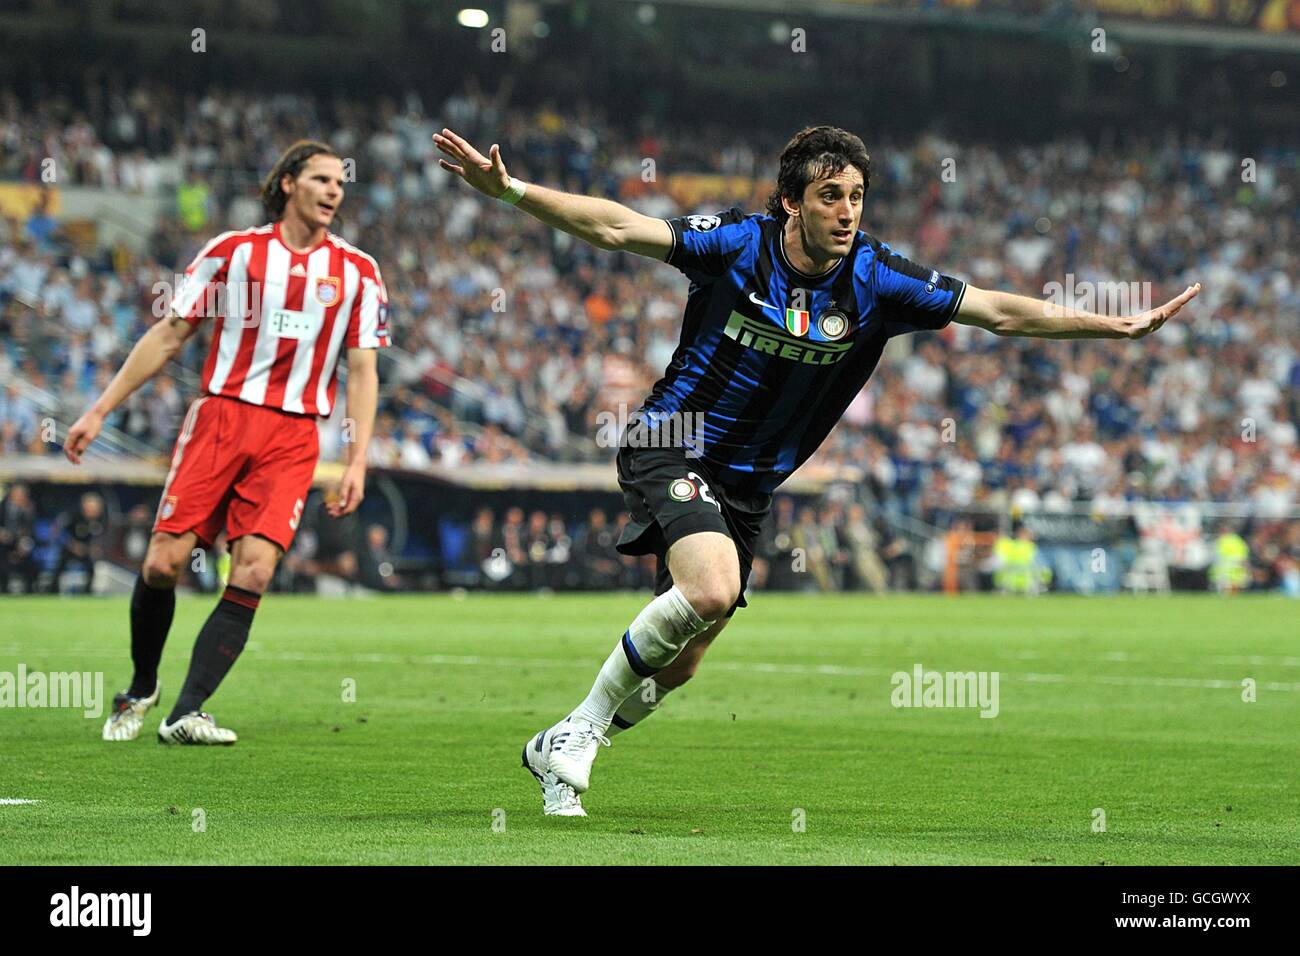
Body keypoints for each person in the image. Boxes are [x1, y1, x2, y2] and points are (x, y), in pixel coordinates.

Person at [434, 124, 1200, 816]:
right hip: (674, 439)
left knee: (685, 660)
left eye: (857, 196)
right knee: (710, 589)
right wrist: (511, 190)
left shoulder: (879, 280)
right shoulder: (737, 244)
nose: (847, 211)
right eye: (830, 195)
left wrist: (1112, 324)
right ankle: (579, 736)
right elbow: (616, 225)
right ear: (790, 204)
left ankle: (562, 739)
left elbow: (999, 311)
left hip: (749, 483)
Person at [65, 140, 390, 745]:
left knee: (256, 571)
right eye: (320, 179)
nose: (333, 192)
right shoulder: (233, 254)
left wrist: (357, 458)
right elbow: (169, 335)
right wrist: (99, 410)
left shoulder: (358, 271)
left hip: (294, 435)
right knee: (163, 563)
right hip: (221, 417)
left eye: (340, 184)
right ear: (288, 183)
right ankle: (141, 687)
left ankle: (185, 713)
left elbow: (364, 370)